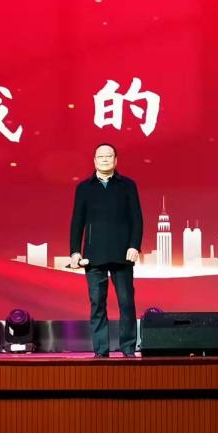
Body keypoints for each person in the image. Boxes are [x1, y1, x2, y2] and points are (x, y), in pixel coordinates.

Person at [69, 143, 143, 358]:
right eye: (100, 156)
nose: (104, 159)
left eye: (108, 156)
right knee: (97, 304)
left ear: (115, 160)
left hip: (122, 253)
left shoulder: (127, 185)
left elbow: (137, 218)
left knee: (126, 303)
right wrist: (75, 251)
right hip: (94, 255)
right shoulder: (84, 188)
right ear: (94, 160)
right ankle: (101, 352)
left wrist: (134, 245)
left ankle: (128, 349)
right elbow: (77, 221)